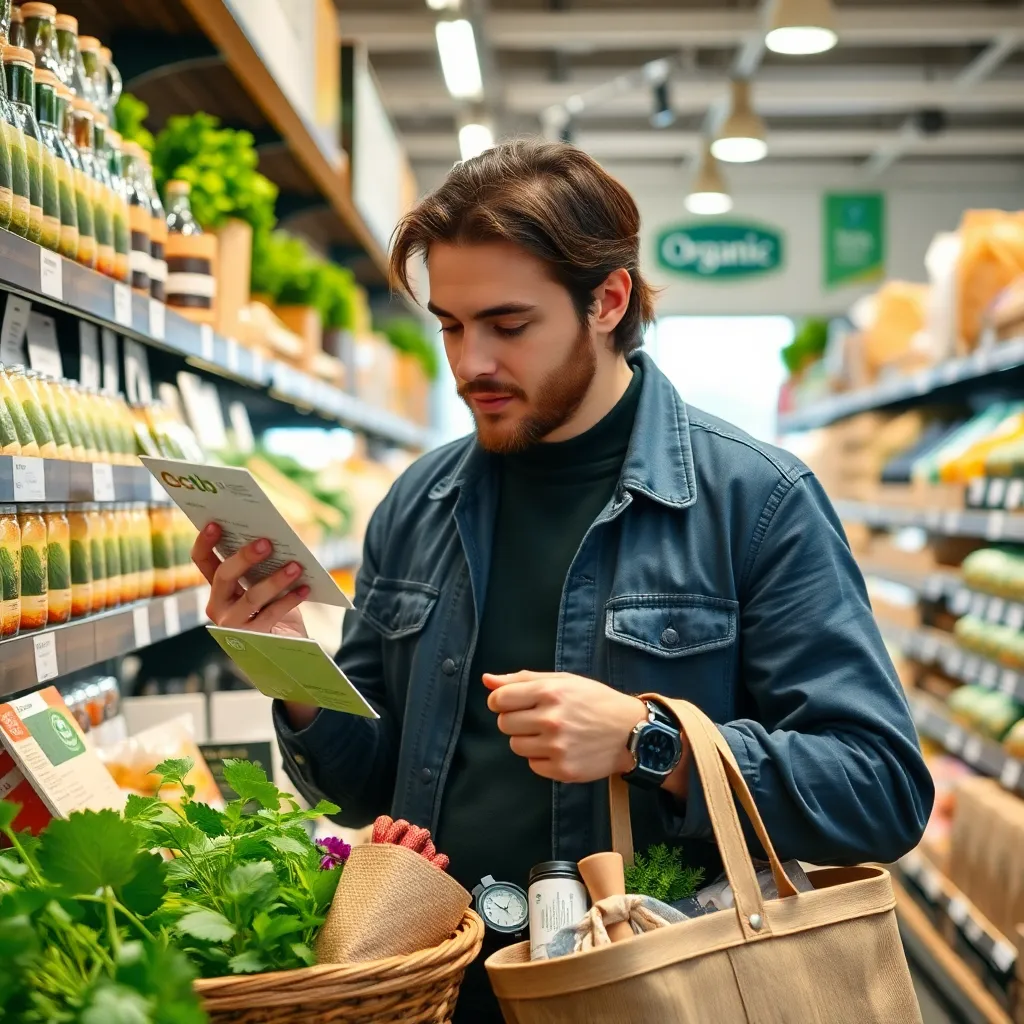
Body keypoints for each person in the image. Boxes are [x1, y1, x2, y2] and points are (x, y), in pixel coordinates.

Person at [193, 139, 933, 1022]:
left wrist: (650, 744)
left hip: (653, 993)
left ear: (607, 301)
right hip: (438, 988)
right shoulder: (416, 505)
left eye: (508, 326)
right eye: (451, 326)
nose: (470, 364)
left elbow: (882, 789)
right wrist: (289, 665)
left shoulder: (757, 502)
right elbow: (362, 792)